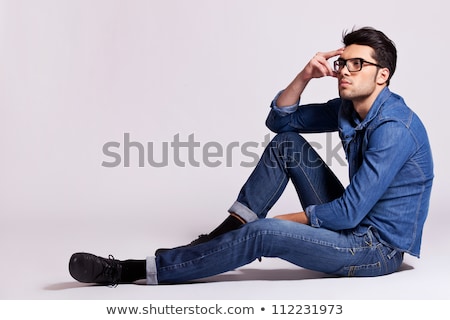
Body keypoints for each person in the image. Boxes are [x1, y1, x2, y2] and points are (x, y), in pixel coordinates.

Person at [69, 27, 433, 286]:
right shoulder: (349, 109)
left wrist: (279, 222)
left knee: (263, 233)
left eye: (357, 64)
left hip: (374, 249)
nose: (344, 72)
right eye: (343, 63)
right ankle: (224, 234)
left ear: (382, 75)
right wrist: (306, 74)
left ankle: (132, 270)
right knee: (287, 144)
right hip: (355, 224)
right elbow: (279, 121)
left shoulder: (394, 128)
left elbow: (350, 212)